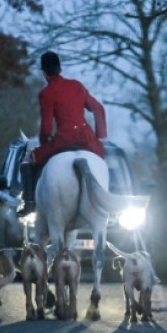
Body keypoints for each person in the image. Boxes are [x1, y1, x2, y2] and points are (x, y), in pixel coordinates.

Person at [18, 51, 107, 216]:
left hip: (63, 139)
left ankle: (29, 203)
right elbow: (98, 109)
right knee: (101, 160)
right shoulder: (77, 85)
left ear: (44, 72)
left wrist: (45, 144)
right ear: (60, 68)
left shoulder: (46, 93)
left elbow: (46, 127)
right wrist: (99, 137)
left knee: (27, 162)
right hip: (86, 138)